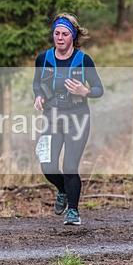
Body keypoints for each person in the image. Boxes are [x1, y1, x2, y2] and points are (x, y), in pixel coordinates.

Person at [32, 13, 103, 226]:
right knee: (48, 165)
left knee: (70, 166)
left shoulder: (84, 60)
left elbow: (99, 89)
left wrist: (84, 91)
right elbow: (37, 83)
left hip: (77, 118)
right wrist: (38, 95)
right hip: (52, 117)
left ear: (72, 37)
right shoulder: (43, 59)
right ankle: (62, 189)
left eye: (64, 34)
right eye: (56, 33)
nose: (60, 38)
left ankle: (73, 211)